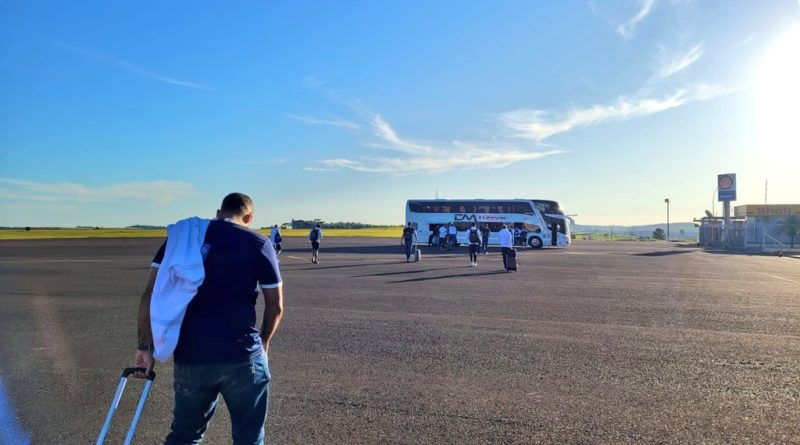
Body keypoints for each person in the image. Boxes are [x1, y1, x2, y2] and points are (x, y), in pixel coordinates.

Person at [134, 192, 283, 445]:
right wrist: (264, 342)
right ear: (248, 216)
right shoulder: (258, 242)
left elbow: (151, 293)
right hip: (242, 356)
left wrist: (144, 347)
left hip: (192, 357)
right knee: (249, 437)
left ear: (218, 212)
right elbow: (276, 305)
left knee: (185, 436)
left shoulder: (181, 239)